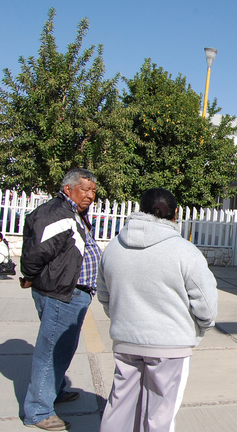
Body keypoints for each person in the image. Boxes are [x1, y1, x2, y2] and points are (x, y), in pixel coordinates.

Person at [97, 188, 218, 432]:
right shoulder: (185, 251)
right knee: (160, 415)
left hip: (126, 340)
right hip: (170, 345)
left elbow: (104, 295)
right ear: (175, 214)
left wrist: (125, 318)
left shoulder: (113, 247)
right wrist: (200, 326)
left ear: (140, 210)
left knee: (119, 406)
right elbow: (206, 305)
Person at [20, 168, 101, 431]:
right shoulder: (57, 214)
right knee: (51, 351)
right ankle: (38, 410)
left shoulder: (74, 213)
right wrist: (29, 276)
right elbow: (35, 252)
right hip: (61, 293)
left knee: (63, 348)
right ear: (68, 189)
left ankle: (53, 391)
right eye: (85, 189)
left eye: (93, 191)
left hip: (71, 293)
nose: (90, 195)